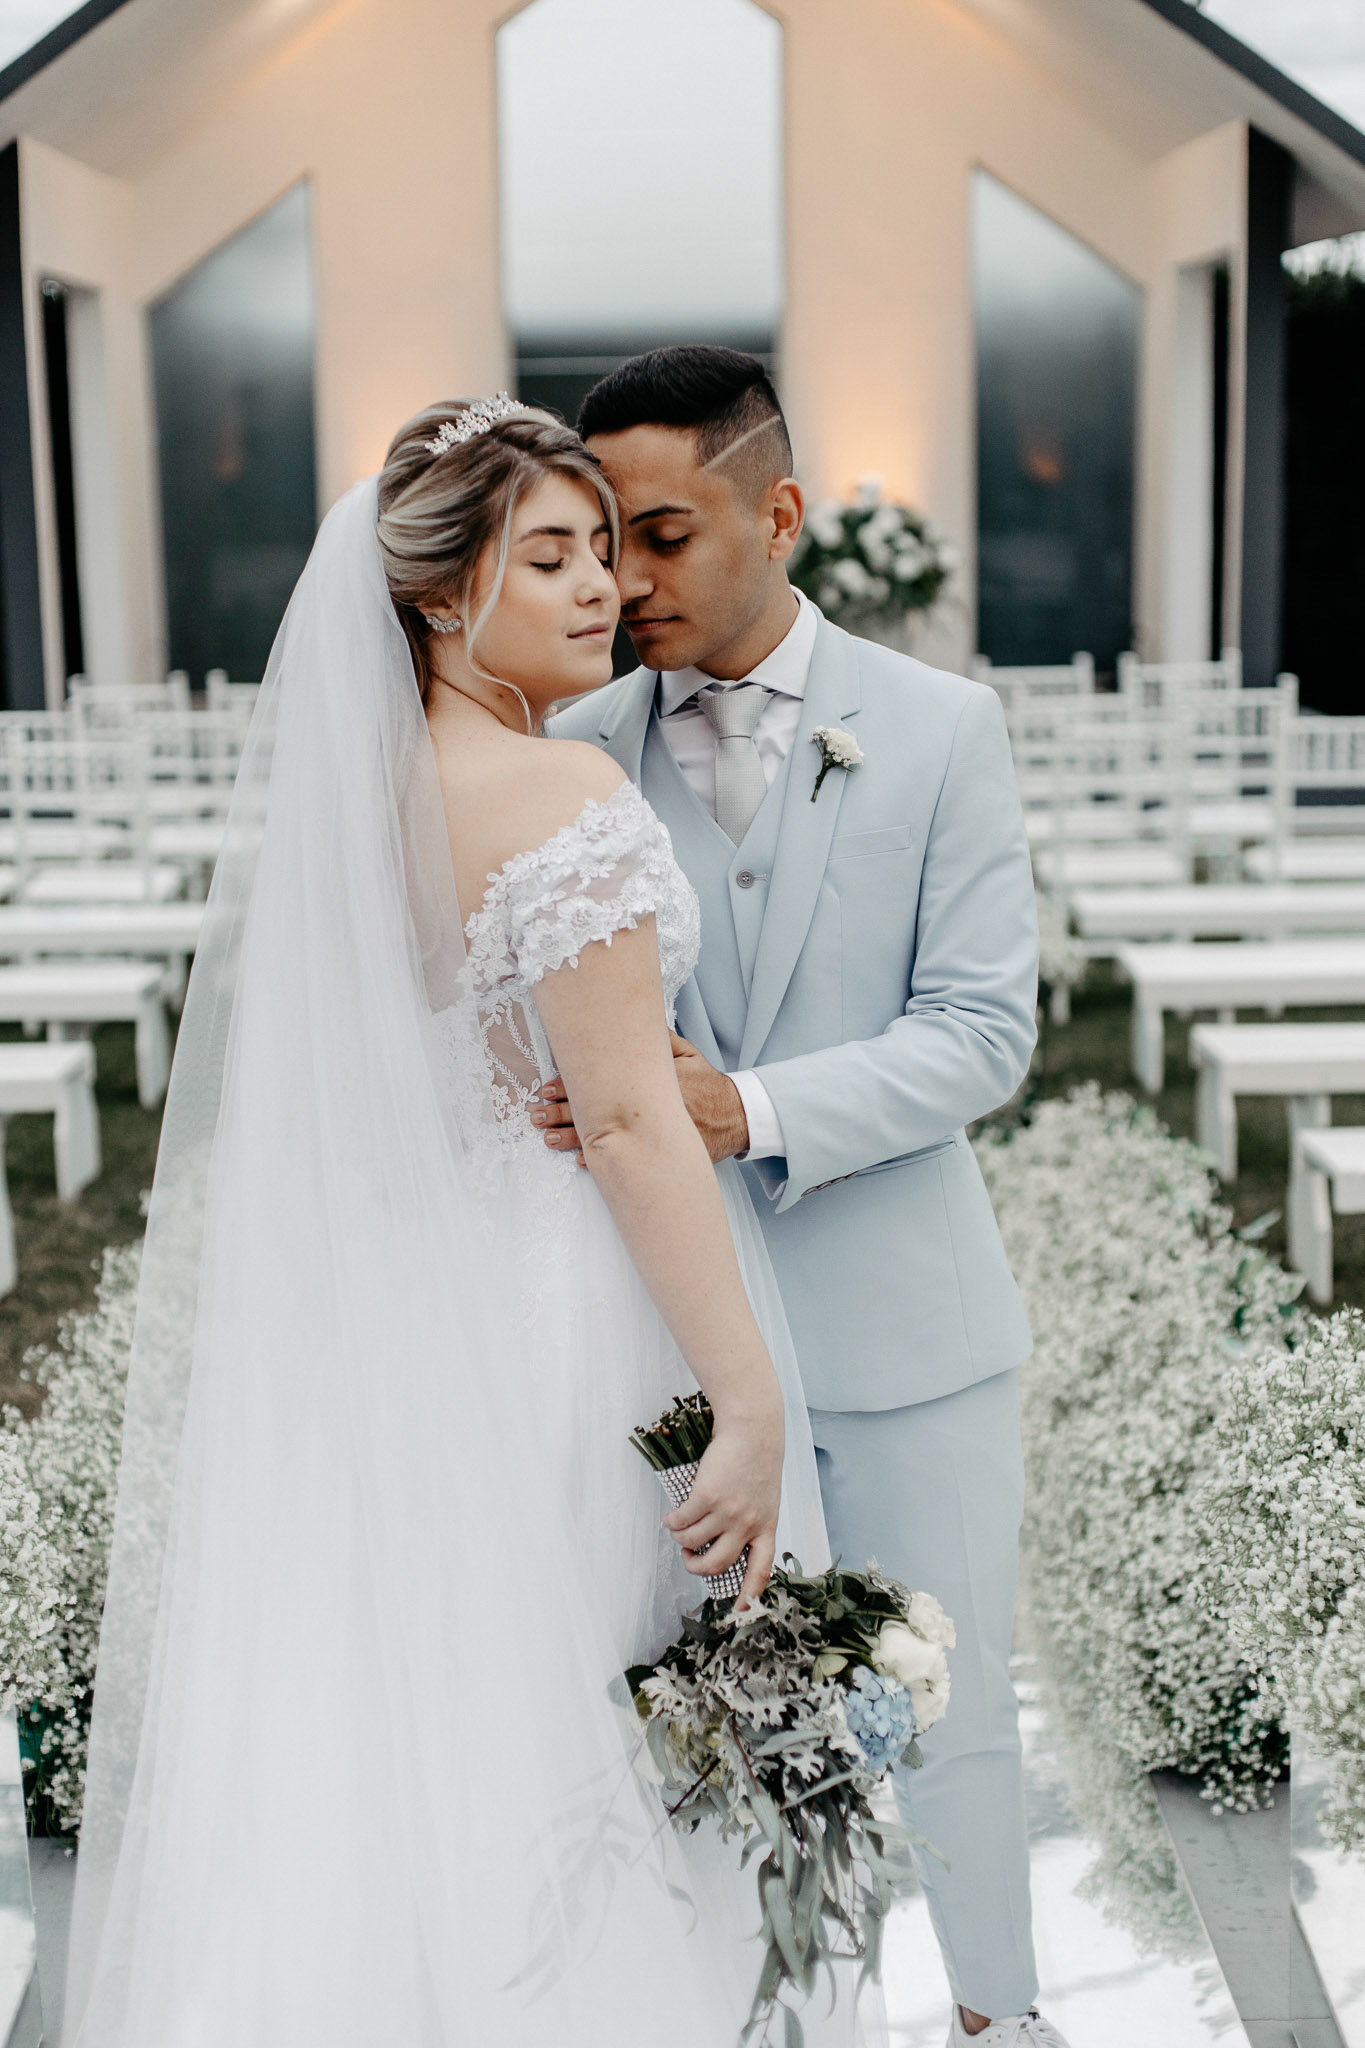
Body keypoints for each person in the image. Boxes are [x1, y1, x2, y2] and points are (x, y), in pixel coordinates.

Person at [59, 402, 865, 2048]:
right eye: (548, 557)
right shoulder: (562, 791)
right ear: (437, 595)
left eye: (604, 551)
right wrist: (747, 1398)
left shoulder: (367, 804)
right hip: (569, 1316)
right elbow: (624, 1128)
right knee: (590, 1727)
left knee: (417, 1715)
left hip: (402, 1321)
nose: (600, 590)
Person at [546, 346, 1070, 2048]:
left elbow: (983, 1032)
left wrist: (748, 1108)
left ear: (777, 515)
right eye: (599, 542)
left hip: (906, 1332)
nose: (624, 580)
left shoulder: (938, 727)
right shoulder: (569, 755)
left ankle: (995, 2016)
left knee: (949, 1706)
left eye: (663, 535)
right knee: (707, 1722)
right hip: (663, 1348)